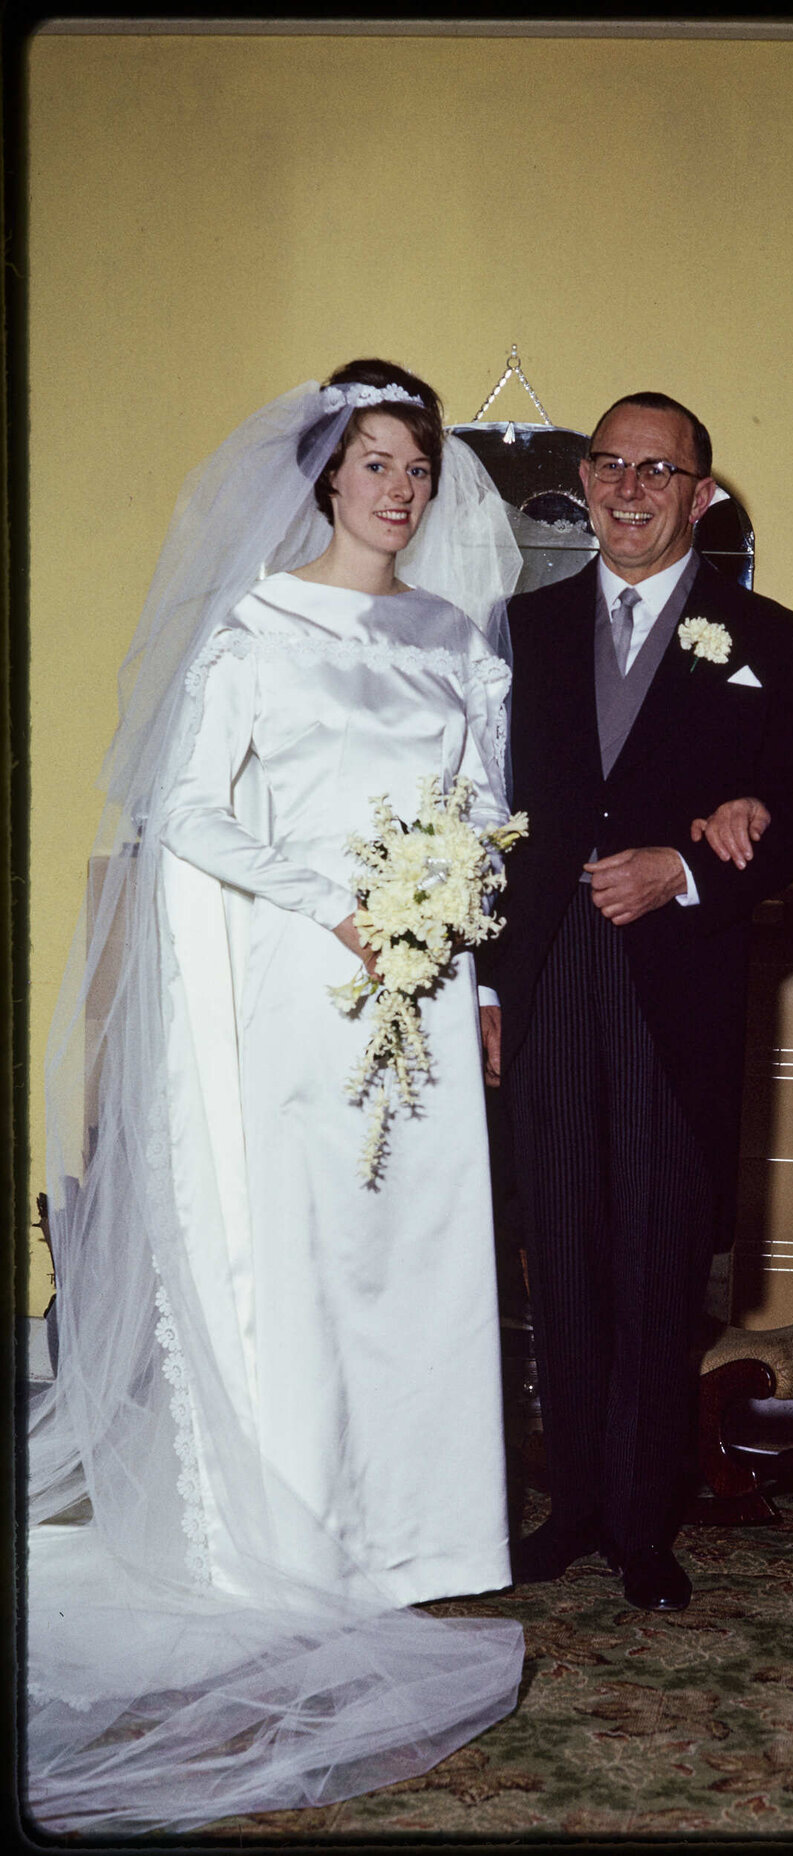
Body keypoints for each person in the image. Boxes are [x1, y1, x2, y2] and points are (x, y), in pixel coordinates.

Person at [27, 360, 525, 1832]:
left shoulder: (455, 637)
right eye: (374, 461)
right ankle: (303, 1540)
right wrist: (333, 904)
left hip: (425, 978)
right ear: (324, 476)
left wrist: (462, 958)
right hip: (304, 982)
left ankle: (419, 1540)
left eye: (416, 466)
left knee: (419, 1257)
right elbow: (185, 804)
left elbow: (480, 813)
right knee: (308, 1253)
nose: (399, 488)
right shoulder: (256, 624)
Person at [480, 391, 793, 1612]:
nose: (629, 488)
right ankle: (572, 1506)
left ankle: (641, 1522)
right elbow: (474, 811)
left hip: (674, 988)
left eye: (657, 469)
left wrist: (685, 865)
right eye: (610, 464)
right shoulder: (516, 628)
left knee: (655, 1257)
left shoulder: (775, 639)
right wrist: (484, 983)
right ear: (584, 480)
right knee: (560, 1249)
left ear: (701, 494)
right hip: (544, 975)